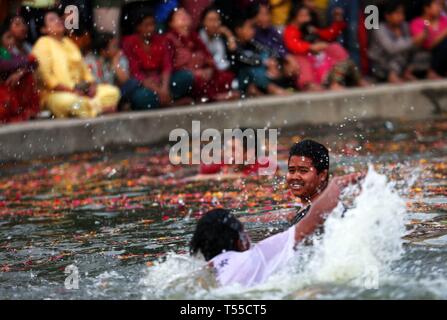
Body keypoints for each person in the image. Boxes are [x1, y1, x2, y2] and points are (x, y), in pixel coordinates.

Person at [190, 172, 363, 287]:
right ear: (241, 241)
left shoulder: (205, 273)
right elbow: (315, 216)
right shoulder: (256, 254)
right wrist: (338, 184)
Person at [32, 11, 120, 118]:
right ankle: (98, 109)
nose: (58, 21)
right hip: (57, 94)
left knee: (113, 92)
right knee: (71, 102)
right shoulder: (42, 44)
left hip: (81, 92)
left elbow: (84, 70)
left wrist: (91, 85)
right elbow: (46, 78)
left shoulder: (69, 43)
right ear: (44, 29)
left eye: (58, 18)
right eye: (52, 20)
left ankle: (90, 109)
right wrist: (71, 91)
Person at [121, 8, 194, 108]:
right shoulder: (129, 42)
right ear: (138, 27)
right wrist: (158, 90)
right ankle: (169, 102)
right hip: (144, 84)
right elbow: (135, 72)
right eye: (146, 25)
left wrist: (164, 88)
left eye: (152, 25)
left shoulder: (161, 40)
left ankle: (165, 100)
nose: (150, 28)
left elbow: (167, 66)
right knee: (141, 98)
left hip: (162, 81)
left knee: (186, 76)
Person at [284, 4, 364, 90]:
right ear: (294, 17)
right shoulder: (290, 30)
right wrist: (311, 47)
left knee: (335, 48)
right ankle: (313, 86)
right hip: (308, 69)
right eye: (302, 15)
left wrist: (337, 22)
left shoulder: (309, 28)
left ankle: (340, 83)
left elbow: (328, 35)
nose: (307, 18)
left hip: (327, 69)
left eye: (307, 15)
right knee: (301, 59)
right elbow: (293, 45)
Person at [164, 7, 236, 102]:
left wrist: (208, 69)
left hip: (200, 72)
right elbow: (168, 65)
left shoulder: (194, 36)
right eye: (178, 15)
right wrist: (194, 72)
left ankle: (211, 95)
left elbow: (207, 56)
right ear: (171, 23)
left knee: (224, 76)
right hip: (183, 75)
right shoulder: (169, 39)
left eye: (185, 14)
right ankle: (212, 97)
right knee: (190, 79)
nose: (183, 16)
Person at [85, 33, 158, 111]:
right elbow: (92, 84)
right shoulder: (89, 60)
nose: (118, 49)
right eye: (114, 46)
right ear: (103, 51)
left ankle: (120, 105)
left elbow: (124, 80)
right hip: (97, 93)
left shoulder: (119, 57)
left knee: (133, 83)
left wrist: (115, 64)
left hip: (116, 92)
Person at [230, 15, 291, 97]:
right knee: (252, 69)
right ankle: (271, 88)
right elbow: (242, 59)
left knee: (265, 55)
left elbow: (268, 51)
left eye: (253, 28)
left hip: (257, 78)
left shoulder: (252, 43)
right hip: (240, 79)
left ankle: (259, 90)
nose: (252, 31)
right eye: (249, 28)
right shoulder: (234, 45)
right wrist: (263, 62)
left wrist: (272, 62)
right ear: (239, 30)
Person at [369, 1, 427, 83]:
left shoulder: (404, 26)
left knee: (422, 55)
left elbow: (411, 48)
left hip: (401, 63)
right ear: (387, 16)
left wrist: (419, 40)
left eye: (402, 13)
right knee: (400, 53)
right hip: (382, 64)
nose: (401, 17)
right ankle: (393, 75)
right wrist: (413, 40)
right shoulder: (379, 30)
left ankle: (405, 72)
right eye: (397, 13)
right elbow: (392, 49)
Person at [0, 17, 40, 123]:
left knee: (27, 76)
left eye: (12, 38)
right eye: (8, 38)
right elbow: (6, 65)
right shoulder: (2, 51)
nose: (11, 41)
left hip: (12, 92)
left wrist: (21, 71)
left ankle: (27, 111)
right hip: (4, 93)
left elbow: (34, 62)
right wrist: (23, 68)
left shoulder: (11, 52)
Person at [253, 3, 300, 89]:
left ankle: (290, 88)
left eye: (267, 14)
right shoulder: (252, 32)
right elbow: (263, 48)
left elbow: (281, 47)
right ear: (254, 17)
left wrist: (287, 57)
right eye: (262, 14)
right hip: (261, 61)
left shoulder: (272, 30)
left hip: (276, 59)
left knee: (292, 65)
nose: (265, 18)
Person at [410, 0, 447, 77]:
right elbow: (428, 45)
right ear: (426, 8)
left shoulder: (444, 20)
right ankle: (432, 71)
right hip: (426, 53)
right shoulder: (417, 22)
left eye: (440, 5)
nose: (439, 8)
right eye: (437, 5)